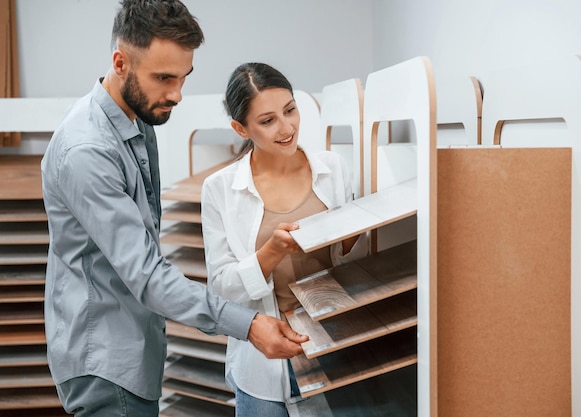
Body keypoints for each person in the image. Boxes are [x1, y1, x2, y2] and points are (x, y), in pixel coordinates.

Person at [40, 2, 307, 416]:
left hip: (131, 348)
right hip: (105, 361)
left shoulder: (138, 118)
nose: (176, 94)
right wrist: (250, 326)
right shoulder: (87, 150)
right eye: (164, 78)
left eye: (183, 78)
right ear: (120, 62)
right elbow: (146, 275)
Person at [200, 62, 369, 417]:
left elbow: (355, 266)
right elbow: (221, 288)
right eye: (268, 120)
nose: (287, 127)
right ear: (240, 128)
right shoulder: (219, 190)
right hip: (265, 364)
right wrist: (271, 251)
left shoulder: (334, 169)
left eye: (290, 110)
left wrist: (353, 239)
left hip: (338, 343)